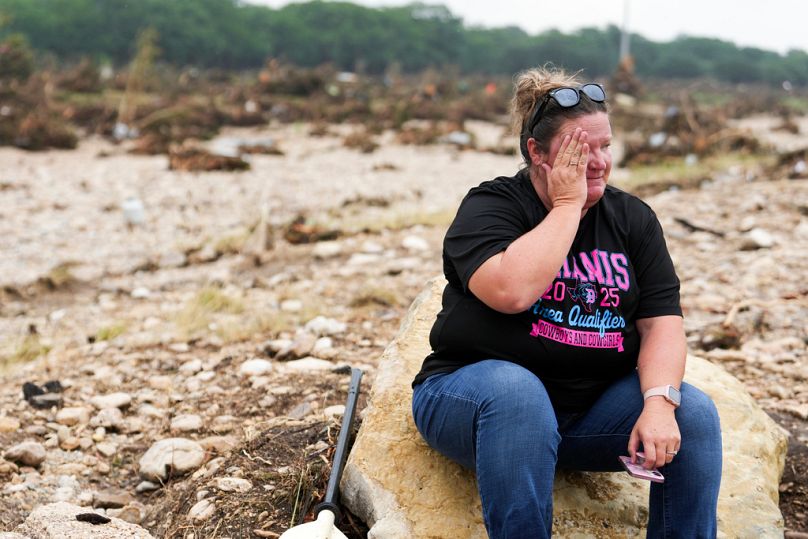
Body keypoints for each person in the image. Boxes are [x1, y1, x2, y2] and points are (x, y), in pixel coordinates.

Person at [411, 66, 722, 539]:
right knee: (518, 393)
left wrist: (659, 403)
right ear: (537, 152)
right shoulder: (491, 207)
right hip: (475, 403)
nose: (598, 162)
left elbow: (661, 324)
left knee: (693, 414)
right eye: (580, 150)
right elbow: (512, 292)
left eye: (605, 146)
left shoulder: (632, 219)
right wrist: (566, 208)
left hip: (587, 414)